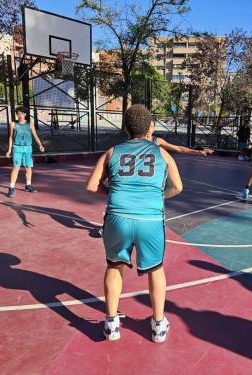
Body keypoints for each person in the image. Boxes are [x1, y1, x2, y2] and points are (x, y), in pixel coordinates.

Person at [87, 104, 183, 343]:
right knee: (155, 270)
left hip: (118, 217)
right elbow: (178, 187)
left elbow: (92, 185)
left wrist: (113, 193)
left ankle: (111, 326)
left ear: (125, 128)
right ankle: (159, 326)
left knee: (114, 266)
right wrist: (156, 197)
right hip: (150, 219)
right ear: (151, 127)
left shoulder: (112, 151)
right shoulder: (162, 153)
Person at [5, 106, 44, 198]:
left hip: (28, 148)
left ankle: (28, 185)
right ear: (16, 114)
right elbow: (10, 137)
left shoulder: (30, 124)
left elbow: (35, 135)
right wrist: (9, 150)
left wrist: (40, 145)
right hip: (17, 148)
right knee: (16, 168)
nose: (20, 115)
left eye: (22, 113)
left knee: (28, 167)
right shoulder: (13, 124)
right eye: (19, 113)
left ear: (25, 114)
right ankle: (11, 188)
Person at [147, 122, 213, 156]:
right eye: (147, 126)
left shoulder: (157, 141)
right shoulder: (136, 140)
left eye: (151, 127)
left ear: (154, 128)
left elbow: (179, 148)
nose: (149, 129)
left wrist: (197, 152)